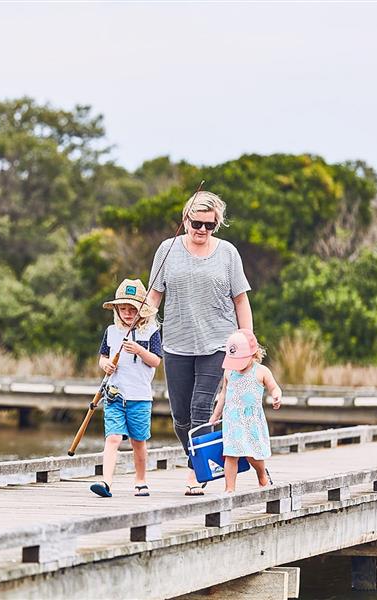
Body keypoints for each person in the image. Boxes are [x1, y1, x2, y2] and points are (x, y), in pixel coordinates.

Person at [147, 190, 253, 496]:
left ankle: (196, 474)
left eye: (209, 225)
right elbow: (155, 295)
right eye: (196, 223)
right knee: (180, 417)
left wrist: (248, 340)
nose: (202, 230)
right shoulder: (167, 250)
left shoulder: (228, 253)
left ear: (217, 225)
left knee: (200, 409)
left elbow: (240, 300)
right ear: (185, 220)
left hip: (218, 343)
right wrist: (140, 322)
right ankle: (202, 460)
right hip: (176, 343)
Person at [90, 278, 163, 498]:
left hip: (139, 397)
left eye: (133, 309)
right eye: (124, 309)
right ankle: (106, 481)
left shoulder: (151, 332)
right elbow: (102, 358)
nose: (128, 314)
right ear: (117, 310)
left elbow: (156, 361)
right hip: (114, 396)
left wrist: (139, 350)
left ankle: (140, 480)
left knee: (138, 441)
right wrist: (107, 365)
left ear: (142, 310)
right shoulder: (111, 331)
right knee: (113, 438)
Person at [208, 329, 282, 492]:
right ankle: (229, 489)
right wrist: (215, 414)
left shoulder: (261, 371)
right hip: (232, 420)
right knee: (230, 454)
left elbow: (274, 388)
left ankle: (262, 474)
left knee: (252, 454)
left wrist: (276, 396)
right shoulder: (229, 372)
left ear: (253, 353)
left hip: (251, 420)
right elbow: (223, 394)